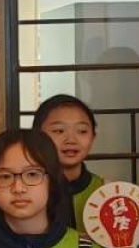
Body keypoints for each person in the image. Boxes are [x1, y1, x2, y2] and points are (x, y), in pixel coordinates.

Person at [33, 94, 101, 233]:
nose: (71, 140)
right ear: (37, 136)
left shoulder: (105, 190)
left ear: (93, 138)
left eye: (82, 131)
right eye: (59, 131)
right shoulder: (26, 191)